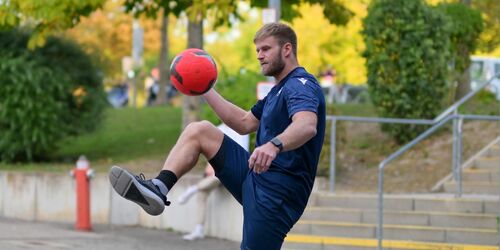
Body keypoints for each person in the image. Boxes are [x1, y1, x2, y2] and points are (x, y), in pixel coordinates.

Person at [109, 22, 326, 249]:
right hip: (254, 175)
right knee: (199, 131)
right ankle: (159, 188)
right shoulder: (277, 91)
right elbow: (244, 123)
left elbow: (307, 125)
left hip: (278, 193)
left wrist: (274, 145)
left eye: (265, 49)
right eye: (257, 51)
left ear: (287, 49)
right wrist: (204, 87)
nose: (260, 56)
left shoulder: (301, 85)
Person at [178, 124, 249, 241]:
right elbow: (211, 153)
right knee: (202, 194)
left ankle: (193, 189)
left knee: (218, 176)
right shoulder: (218, 129)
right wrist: (210, 168)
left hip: (235, 169)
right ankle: (199, 229)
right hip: (218, 171)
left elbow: (243, 152)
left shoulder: (240, 129)